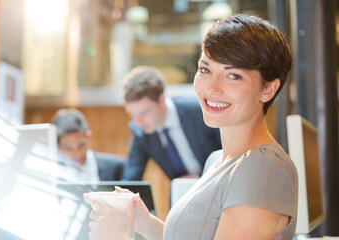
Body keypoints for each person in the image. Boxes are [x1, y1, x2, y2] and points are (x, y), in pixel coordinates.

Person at [84, 14, 298, 239]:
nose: (211, 88)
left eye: (233, 76)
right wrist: (145, 223)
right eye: (205, 70)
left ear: (268, 89)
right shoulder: (217, 160)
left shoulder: (261, 168)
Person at [120, 65, 222, 180]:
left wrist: (199, 178)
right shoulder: (140, 130)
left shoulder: (199, 111)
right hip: (180, 193)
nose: (138, 122)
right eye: (132, 114)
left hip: (217, 185)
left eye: (144, 113)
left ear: (161, 100)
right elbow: (132, 176)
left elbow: (228, 155)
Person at [51, 108, 125, 182]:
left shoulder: (118, 167)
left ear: (88, 137)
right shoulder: (51, 173)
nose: (78, 154)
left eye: (81, 145)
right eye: (69, 148)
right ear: (58, 148)